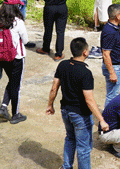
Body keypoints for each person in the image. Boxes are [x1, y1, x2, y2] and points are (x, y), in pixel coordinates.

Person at [46, 37, 109, 169]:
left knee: (70, 138)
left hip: (65, 111)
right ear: (85, 52)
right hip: (80, 115)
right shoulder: (85, 73)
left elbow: (54, 87)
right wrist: (101, 120)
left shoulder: (62, 65)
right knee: (84, 148)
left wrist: (50, 105)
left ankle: (66, 166)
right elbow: (89, 100)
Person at [0, 0, 29, 124]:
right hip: (16, 57)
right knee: (16, 86)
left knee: (12, 81)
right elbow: (25, 40)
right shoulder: (18, 22)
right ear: (16, 6)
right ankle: (15, 114)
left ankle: (3, 107)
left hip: (1, 57)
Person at [101, 4, 120, 107]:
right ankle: (107, 120)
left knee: (113, 94)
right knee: (112, 96)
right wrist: (112, 72)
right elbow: (106, 54)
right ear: (117, 16)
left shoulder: (112, 27)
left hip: (117, 65)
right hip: (114, 67)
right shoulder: (110, 32)